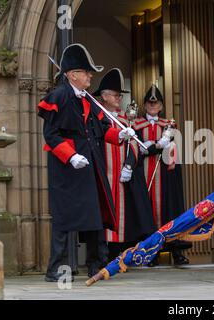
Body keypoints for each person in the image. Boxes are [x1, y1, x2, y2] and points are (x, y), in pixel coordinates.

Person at [38, 44, 136, 281]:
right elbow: (51, 134)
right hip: (67, 168)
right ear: (72, 75)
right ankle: (55, 268)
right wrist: (70, 155)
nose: (90, 75)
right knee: (64, 218)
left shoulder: (90, 100)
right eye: (86, 71)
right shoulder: (58, 96)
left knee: (95, 215)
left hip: (92, 165)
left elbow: (102, 131)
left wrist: (120, 135)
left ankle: (96, 264)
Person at [93, 68, 156, 262]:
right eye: (115, 95)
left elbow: (135, 145)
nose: (119, 98)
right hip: (103, 174)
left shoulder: (124, 119)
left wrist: (129, 165)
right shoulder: (96, 116)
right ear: (104, 97)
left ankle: (120, 252)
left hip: (122, 176)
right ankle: (99, 255)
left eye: (120, 95)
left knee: (126, 215)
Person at [133, 85, 191, 266]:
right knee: (146, 213)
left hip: (165, 176)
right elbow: (138, 149)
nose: (152, 106)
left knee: (170, 212)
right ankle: (151, 253)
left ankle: (176, 252)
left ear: (161, 106)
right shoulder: (136, 125)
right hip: (144, 174)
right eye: (149, 103)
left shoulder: (169, 125)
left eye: (156, 103)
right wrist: (155, 146)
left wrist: (167, 146)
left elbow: (175, 151)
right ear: (144, 105)